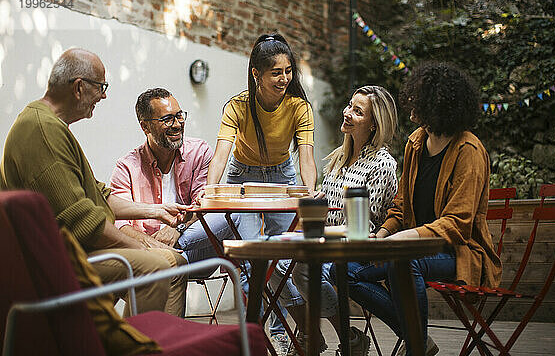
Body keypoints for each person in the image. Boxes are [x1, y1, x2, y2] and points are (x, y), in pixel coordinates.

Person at [0, 48, 189, 317]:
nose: (104, 95)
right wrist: (140, 246)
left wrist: (154, 210)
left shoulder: (48, 124)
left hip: (69, 252)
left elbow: (97, 194)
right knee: (159, 267)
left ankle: (134, 340)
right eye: (101, 87)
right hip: (55, 264)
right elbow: (83, 221)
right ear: (79, 88)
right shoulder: (42, 130)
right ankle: (134, 346)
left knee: (175, 261)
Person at [337, 61, 502, 356]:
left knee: (406, 262)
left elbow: (457, 224)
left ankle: (414, 348)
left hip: (457, 251)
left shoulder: (470, 151)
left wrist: (400, 241)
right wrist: (384, 234)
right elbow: (401, 206)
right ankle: (418, 340)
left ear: (438, 106)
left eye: (419, 100)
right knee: (343, 269)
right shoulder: (416, 143)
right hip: (409, 247)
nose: (411, 105)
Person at [206, 33, 318, 354]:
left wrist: (307, 193)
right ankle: (262, 329)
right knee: (253, 255)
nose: (284, 78)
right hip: (243, 177)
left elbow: (306, 158)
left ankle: (279, 327)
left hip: (282, 178)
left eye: (288, 71)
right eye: (276, 73)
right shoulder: (238, 106)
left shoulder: (299, 107)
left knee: (286, 259)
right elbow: (221, 154)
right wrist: (212, 189)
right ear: (257, 73)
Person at [274, 86, 399, 355]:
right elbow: (329, 209)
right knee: (273, 265)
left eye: (357, 111)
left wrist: (320, 234)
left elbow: (363, 226)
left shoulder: (382, 163)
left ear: (374, 124)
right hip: (326, 241)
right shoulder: (338, 159)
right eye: (349, 105)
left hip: (361, 249)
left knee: (303, 270)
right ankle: (310, 335)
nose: (347, 112)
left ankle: (349, 338)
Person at [109, 88, 240, 268]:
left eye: (179, 116)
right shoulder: (127, 166)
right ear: (145, 126)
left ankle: (165, 258)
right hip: (145, 250)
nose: (177, 124)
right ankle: (163, 259)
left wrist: (177, 230)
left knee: (234, 214)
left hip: (192, 248)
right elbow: (120, 223)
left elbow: (202, 204)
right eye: (167, 119)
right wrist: (150, 245)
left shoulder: (199, 152)